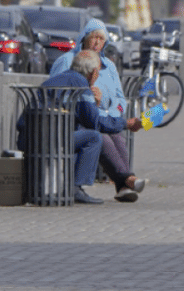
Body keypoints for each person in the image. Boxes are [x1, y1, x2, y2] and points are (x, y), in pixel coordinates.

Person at [50, 18, 147, 202]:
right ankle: (127, 180)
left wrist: (111, 112)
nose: (96, 43)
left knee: (116, 135)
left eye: (101, 39)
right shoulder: (69, 61)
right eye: (93, 38)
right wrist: (93, 103)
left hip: (104, 116)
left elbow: (119, 98)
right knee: (101, 134)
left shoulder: (109, 66)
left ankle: (123, 186)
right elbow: (60, 94)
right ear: (83, 39)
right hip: (78, 121)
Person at [29, 49, 106, 204]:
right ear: (93, 72)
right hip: (50, 139)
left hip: (29, 137)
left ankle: (70, 186)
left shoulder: (59, 79)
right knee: (94, 137)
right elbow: (92, 121)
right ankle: (75, 188)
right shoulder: (81, 84)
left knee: (76, 133)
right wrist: (97, 103)